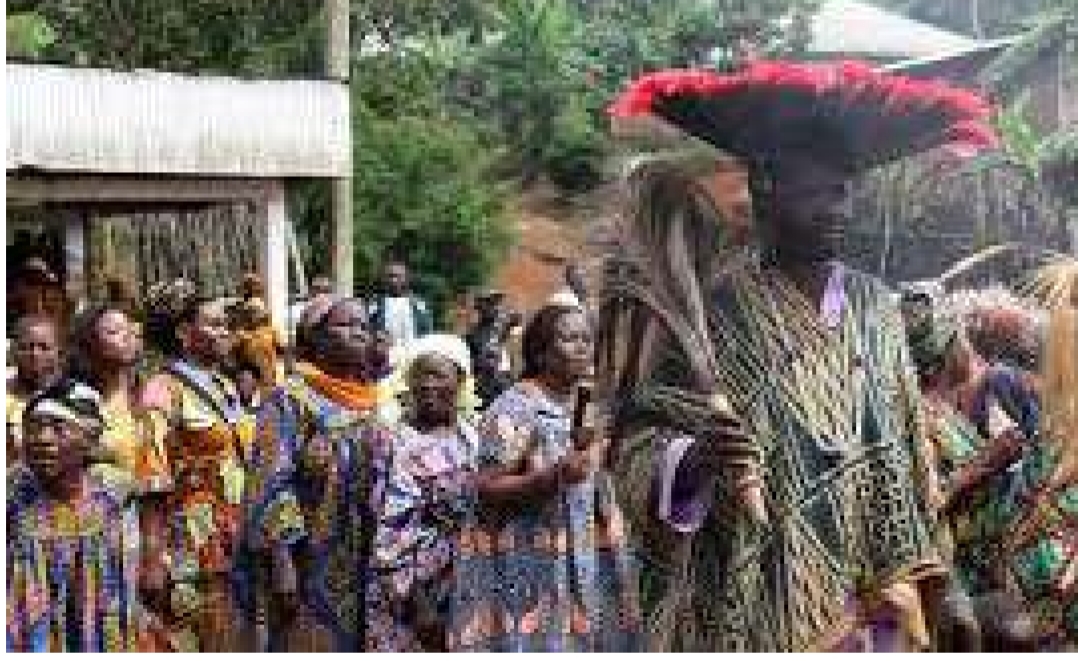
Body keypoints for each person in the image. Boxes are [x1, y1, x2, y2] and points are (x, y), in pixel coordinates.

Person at [601, 59, 999, 651]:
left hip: (878, 602)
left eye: (841, 193)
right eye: (814, 193)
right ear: (767, 192)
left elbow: (910, 454)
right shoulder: (713, 314)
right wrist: (692, 460)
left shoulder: (875, 306)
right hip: (757, 598)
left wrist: (950, 592)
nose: (835, 209)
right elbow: (635, 442)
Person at [448, 304, 643, 652]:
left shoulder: (587, 402)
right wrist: (553, 476)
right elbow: (486, 486)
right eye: (570, 339)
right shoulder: (517, 407)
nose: (583, 347)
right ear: (541, 352)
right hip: (532, 560)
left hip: (586, 551)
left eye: (587, 339)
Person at [244, 295, 394, 651]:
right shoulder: (290, 399)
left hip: (370, 556)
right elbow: (270, 482)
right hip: (312, 560)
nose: (358, 333)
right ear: (318, 339)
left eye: (363, 326)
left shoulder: (379, 403)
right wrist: (283, 563)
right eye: (345, 325)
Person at [140, 279, 248, 652]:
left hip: (232, 535)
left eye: (226, 324)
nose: (225, 332)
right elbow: (152, 475)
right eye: (215, 324)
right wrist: (153, 557)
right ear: (185, 333)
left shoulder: (225, 384)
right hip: (188, 542)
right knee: (189, 638)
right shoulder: (162, 389)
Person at [6, 380, 143, 651]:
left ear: (88, 441)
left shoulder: (115, 494)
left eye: (59, 429)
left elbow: (125, 575)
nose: (43, 439)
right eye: (34, 428)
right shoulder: (11, 493)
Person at [370, 337, 478, 651]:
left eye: (438, 375)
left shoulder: (472, 435)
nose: (428, 385)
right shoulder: (395, 441)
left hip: (463, 584)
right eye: (420, 375)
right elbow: (390, 535)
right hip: (412, 595)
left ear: (460, 380)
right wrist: (419, 605)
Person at [7, 315, 63, 473]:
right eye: (26, 347)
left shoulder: (76, 397)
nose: (35, 354)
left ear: (58, 351)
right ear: (13, 350)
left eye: (44, 347)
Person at [465, 291, 520, 409]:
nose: (496, 308)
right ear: (480, 308)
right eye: (490, 304)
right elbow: (475, 365)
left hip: (505, 386)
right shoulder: (474, 336)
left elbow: (517, 318)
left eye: (497, 304)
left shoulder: (502, 329)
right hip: (486, 390)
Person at [369, 260, 433, 354]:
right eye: (390, 276)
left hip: (414, 355)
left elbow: (427, 332)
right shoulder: (376, 304)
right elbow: (369, 330)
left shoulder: (418, 305)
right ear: (384, 279)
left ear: (406, 279)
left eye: (398, 276)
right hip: (385, 356)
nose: (394, 280)